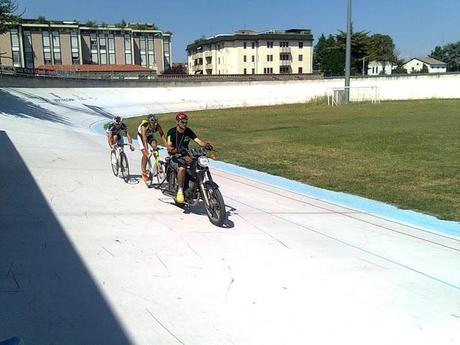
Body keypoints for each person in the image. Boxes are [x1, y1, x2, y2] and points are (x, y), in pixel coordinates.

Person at [166, 112, 213, 203]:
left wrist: (206, 145)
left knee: (199, 165)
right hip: (175, 156)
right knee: (182, 168)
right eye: (182, 122)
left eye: (186, 122)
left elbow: (198, 140)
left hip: (186, 155)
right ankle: (180, 190)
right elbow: (169, 146)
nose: (185, 124)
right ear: (177, 122)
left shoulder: (188, 131)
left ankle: (196, 186)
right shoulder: (171, 132)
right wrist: (176, 150)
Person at [138, 114, 167, 182]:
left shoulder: (157, 125)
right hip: (141, 136)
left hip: (149, 135)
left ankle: (157, 162)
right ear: (149, 122)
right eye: (152, 122)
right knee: (145, 153)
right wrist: (146, 149)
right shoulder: (144, 126)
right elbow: (144, 138)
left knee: (155, 145)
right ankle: (144, 171)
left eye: (155, 122)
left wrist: (167, 146)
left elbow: (162, 134)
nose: (154, 124)